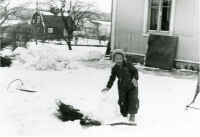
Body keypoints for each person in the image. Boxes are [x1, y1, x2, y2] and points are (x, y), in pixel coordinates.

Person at [102, 49, 139, 122]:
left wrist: (135, 78)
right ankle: (124, 114)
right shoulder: (114, 68)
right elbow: (112, 77)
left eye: (120, 58)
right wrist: (108, 87)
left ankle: (132, 115)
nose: (118, 60)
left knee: (132, 100)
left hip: (132, 85)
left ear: (123, 58)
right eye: (116, 59)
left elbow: (135, 72)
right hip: (122, 86)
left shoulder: (129, 64)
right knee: (122, 100)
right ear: (114, 59)